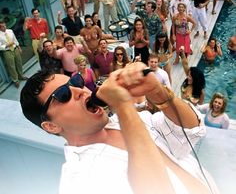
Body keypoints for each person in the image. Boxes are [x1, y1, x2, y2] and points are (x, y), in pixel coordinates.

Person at [20, 62, 219, 194]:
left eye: (75, 82)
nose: (80, 91)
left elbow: (192, 130)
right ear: (51, 126)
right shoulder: (79, 180)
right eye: (63, 94)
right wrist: (123, 106)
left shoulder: (127, 123)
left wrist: (158, 93)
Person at [0, 20, 27, 87]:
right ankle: (15, 80)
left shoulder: (10, 31)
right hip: (7, 51)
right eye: (2, 26)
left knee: (19, 63)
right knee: (11, 66)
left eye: (5, 25)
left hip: (15, 49)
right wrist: (7, 45)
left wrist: (19, 47)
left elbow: (15, 39)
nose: (4, 27)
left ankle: (21, 76)